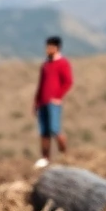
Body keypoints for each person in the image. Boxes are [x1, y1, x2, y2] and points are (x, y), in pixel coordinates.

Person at [33, 35, 73, 168]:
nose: (47, 49)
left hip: (53, 102)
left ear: (57, 48)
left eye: (50, 47)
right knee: (44, 131)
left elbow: (68, 82)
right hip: (42, 101)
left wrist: (58, 97)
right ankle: (45, 157)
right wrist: (36, 102)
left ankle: (64, 154)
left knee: (55, 129)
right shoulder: (45, 64)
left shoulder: (63, 63)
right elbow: (40, 84)